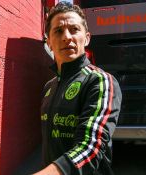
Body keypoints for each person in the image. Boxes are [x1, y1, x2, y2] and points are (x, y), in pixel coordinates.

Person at [34, 2, 122, 175]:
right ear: (49, 42)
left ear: (87, 38)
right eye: (58, 31)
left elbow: (91, 147)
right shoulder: (48, 87)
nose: (67, 36)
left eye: (74, 29)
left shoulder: (100, 81)